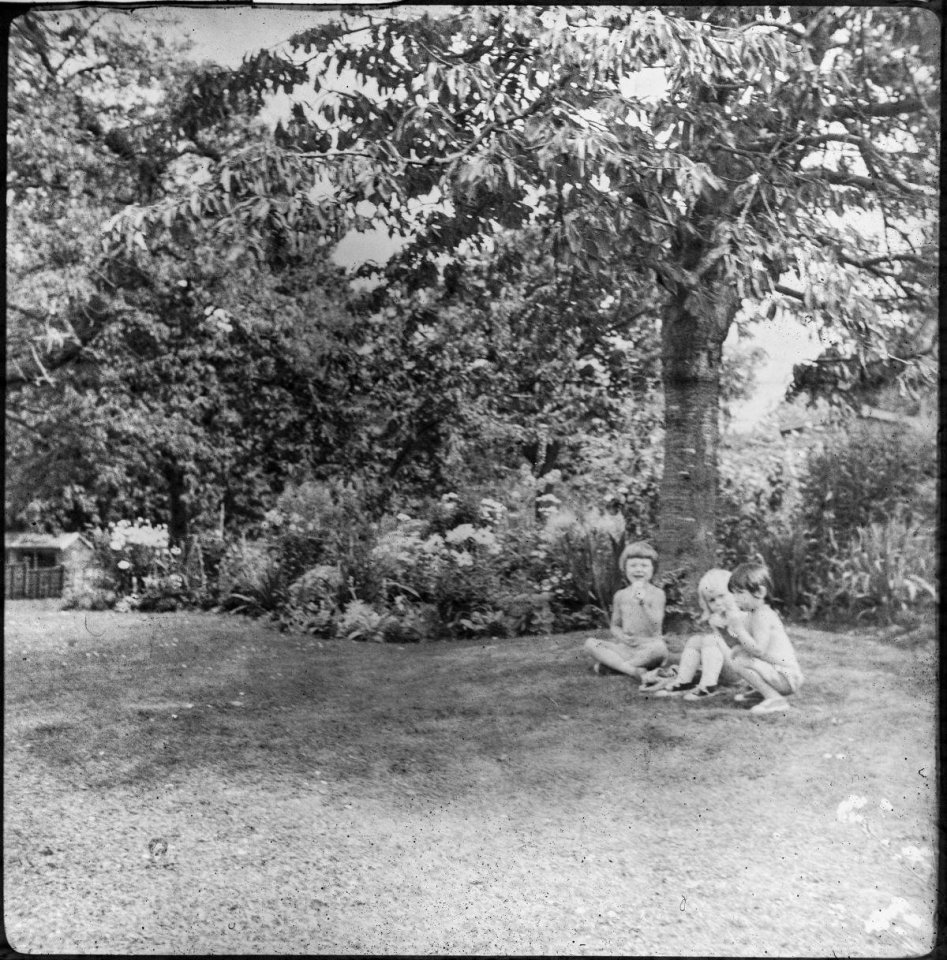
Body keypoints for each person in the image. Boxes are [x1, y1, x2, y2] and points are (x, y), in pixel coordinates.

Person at [651, 568, 745, 699]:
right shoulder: (715, 619)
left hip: (744, 672)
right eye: (712, 600)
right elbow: (718, 650)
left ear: (734, 593)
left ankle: (708, 686)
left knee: (712, 639)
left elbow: (743, 646)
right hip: (728, 667)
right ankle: (683, 682)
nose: (718, 603)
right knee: (695, 640)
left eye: (722, 596)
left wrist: (729, 627)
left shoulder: (742, 616)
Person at [725, 561, 804, 715]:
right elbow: (743, 643)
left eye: (740, 593)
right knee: (739, 655)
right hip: (779, 673)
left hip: (787, 676)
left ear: (760, 592)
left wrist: (739, 629)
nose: (735, 598)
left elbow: (758, 650)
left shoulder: (762, 615)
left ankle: (775, 698)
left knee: (741, 661)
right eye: (733, 593)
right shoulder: (752, 614)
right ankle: (764, 692)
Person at [584, 541, 666, 682]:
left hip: (648, 647)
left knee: (660, 648)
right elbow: (614, 626)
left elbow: (656, 625)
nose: (638, 570)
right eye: (633, 565)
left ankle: (614, 666)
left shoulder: (657, 594)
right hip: (626, 647)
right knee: (590, 643)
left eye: (644, 566)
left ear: (653, 569)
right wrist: (622, 637)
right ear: (625, 569)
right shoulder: (620, 595)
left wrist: (643, 603)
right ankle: (632, 670)